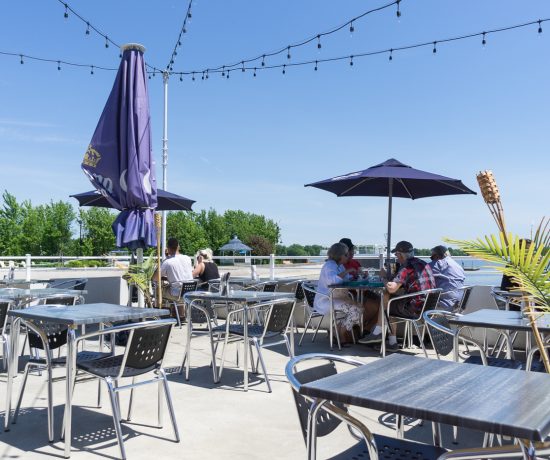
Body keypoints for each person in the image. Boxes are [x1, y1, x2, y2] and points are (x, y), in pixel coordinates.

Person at [360, 241, 435, 350]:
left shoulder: (406, 267)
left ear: (400, 254)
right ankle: (391, 342)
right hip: (428, 306)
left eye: (397, 255)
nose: (396, 257)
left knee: (387, 298)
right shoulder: (423, 263)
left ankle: (378, 333)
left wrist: (383, 278)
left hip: (415, 309)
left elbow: (391, 288)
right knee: (390, 302)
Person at [314, 242, 363, 343]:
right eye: (346, 254)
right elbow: (332, 281)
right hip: (327, 300)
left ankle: (337, 330)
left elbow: (345, 279)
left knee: (360, 307)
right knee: (356, 310)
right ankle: (340, 333)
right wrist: (347, 271)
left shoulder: (339, 265)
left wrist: (356, 276)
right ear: (339, 255)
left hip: (336, 297)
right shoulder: (329, 266)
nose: (348, 256)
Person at [429, 245, 466, 311]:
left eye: (432, 257)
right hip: (459, 305)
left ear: (437, 256)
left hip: (444, 306)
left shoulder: (438, 263)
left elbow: (421, 273)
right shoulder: (458, 265)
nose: (432, 260)